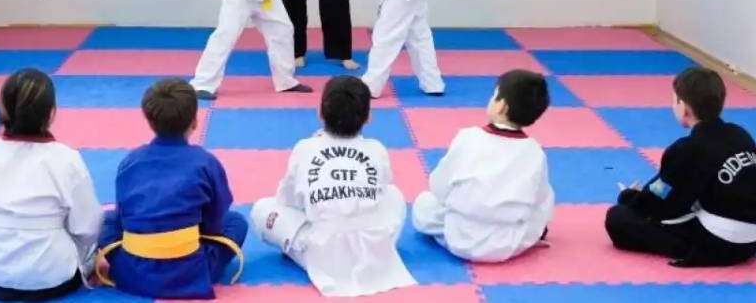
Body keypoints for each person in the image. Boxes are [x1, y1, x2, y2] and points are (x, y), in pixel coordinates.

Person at [250, 76, 415, 296]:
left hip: (321, 252)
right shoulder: (377, 149)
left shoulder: (305, 148)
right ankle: (378, 251)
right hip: (372, 245)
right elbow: (382, 190)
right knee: (394, 195)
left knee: (262, 209)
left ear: (320, 112)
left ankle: (303, 250)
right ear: (368, 117)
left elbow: (286, 201)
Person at [604, 67, 756, 267]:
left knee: (617, 219)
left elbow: (663, 206)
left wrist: (629, 197)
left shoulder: (686, 149)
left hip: (720, 244)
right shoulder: (739, 133)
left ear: (684, 107)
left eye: (675, 100)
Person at [0, 69, 103, 300]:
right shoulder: (67, 159)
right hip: (53, 277)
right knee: (96, 239)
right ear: (52, 113)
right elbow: (87, 229)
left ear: (3, 110)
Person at [99, 79, 248, 299]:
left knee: (107, 220)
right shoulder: (205, 162)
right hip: (191, 271)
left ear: (149, 121)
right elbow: (216, 220)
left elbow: (123, 218)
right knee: (236, 222)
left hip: (132, 271)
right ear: (195, 122)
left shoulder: (130, 161)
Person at [412, 70, 554, 261]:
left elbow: (439, 186)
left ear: (501, 106)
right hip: (509, 242)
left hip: (460, 236)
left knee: (424, 203)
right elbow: (541, 200)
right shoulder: (535, 152)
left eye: (494, 96)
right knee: (538, 211)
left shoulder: (468, 137)